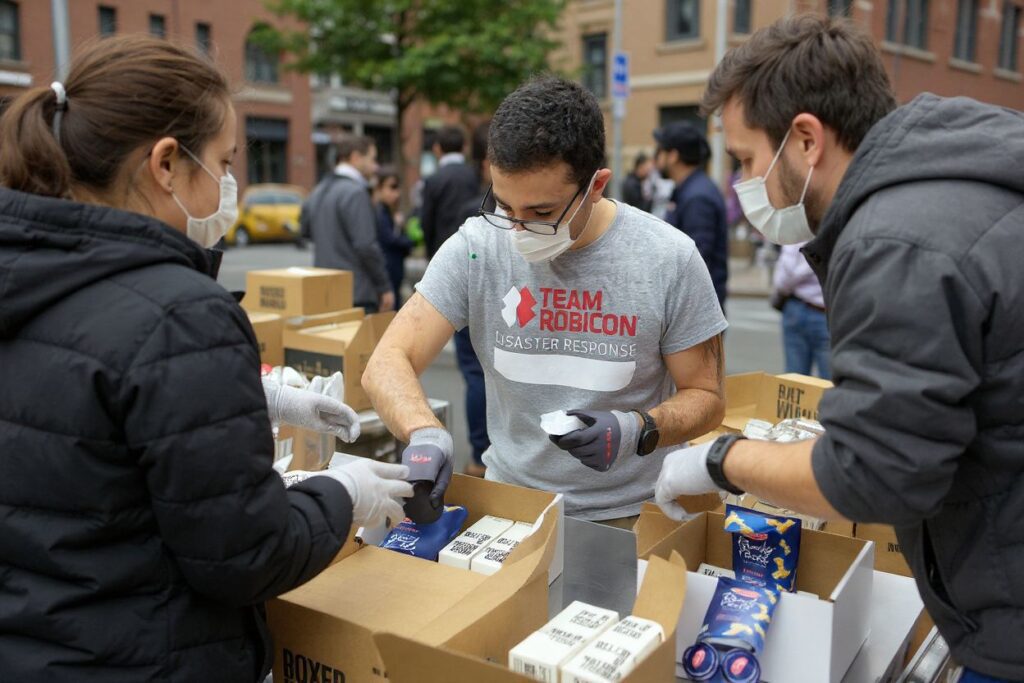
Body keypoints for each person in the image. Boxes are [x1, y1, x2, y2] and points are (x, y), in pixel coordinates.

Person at [0, 36, 412, 681]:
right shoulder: (180, 312)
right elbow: (244, 553)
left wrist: (255, 393)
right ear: (166, 164)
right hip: (149, 655)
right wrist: (343, 495)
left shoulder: (27, 273)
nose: (228, 184)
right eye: (223, 161)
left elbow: (72, 406)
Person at [654, 14, 1024, 682]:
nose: (742, 183)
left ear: (805, 139)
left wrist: (721, 459)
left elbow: (873, 472)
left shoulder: (895, 241)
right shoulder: (948, 173)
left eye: (744, 159)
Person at [363, 76, 728, 526]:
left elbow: (706, 397)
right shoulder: (477, 247)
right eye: (504, 206)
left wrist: (640, 429)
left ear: (596, 185)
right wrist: (424, 431)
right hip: (514, 506)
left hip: (635, 512)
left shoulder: (667, 257)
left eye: (540, 213)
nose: (517, 230)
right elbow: (387, 359)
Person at [306, 134, 394, 313]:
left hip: (325, 290)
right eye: (372, 158)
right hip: (357, 293)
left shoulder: (318, 190)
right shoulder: (355, 192)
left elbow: (305, 231)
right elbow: (366, 245)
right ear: (355, 157)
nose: (375, 165)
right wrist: (384, 286)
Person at [452, 121, 495, 477]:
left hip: (470, 303)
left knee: (475, 377)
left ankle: (480, 455)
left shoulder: (470, 207)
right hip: (498, 306)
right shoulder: (477, 208)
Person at [654, 121, 729, 310]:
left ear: (673, 156)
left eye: (661, 151)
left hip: (695, 311)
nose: (657, 158)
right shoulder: (690, 190)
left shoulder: (697, 197)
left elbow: (695, 261)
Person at [771, 242, 830, 379]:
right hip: (822, 311)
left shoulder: (798, 232)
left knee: (794, 382)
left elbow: (783, 281)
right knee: (830, 384)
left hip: (799, 306)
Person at [420, 125, 479, 259]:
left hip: (442, 250)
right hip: (471, 248)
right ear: (464, 147)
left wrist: (430, 253)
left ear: (437, 148)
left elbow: (426, 220)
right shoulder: (474, 175)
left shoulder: (433, 179)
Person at [373, 165, 414, 307]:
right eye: (392, 187)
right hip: (387, 276)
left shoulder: (389, 212)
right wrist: (409, 242)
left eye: (397, 187)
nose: (396, 193)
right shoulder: (379, 213)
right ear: (379, 188)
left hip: (394, 275)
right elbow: (389, 239)